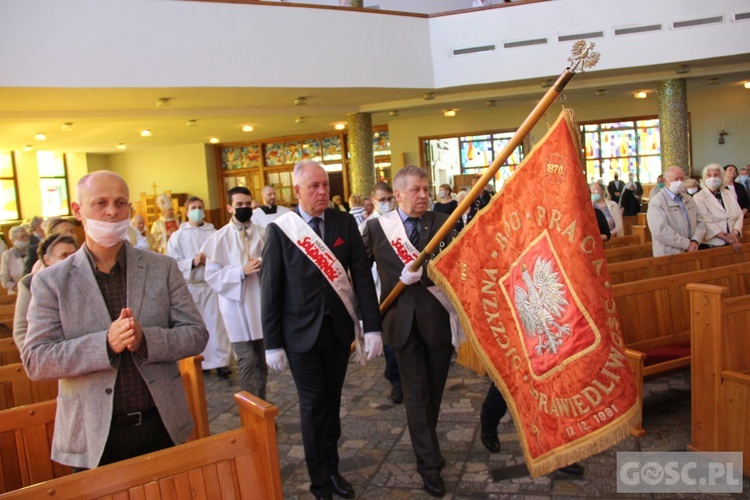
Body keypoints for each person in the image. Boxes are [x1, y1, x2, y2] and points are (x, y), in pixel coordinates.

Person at [21, 171, 208, 470]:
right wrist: (105, 344)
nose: (112, 211)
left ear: (130, 210)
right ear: (78, 210)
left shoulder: (162, 268)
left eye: (120, 203)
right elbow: (36, 360)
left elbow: (197, 334)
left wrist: (146, 340)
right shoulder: (51, 282)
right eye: (100, 203)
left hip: (159, 423)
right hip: (93, 433)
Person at [261, 160, 382, 500]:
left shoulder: (343, 222)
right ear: (297, 191)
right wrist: (272, 343)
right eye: (313, 186)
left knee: (331, 403)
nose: (322, 192)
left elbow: (361, 276)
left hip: (337, 332)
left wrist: (371, 326)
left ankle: (333, 469)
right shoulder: (281, 229)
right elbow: (271, 290)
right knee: (313, 405)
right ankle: (319, 484)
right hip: (299, 335)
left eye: (325, 185)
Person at [362, 165, 453, 497]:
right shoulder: (376, 228)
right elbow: (360, 273)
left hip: (437, 319)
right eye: (416, 190)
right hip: (401, 323)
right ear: (397, 195)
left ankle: (426, 446)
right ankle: (428, 465)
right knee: (415, 395)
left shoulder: (441, 223)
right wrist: (367, 319)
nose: (423, 195)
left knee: (434, 393)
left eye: (426, 189)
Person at [202, 187, 268, 396]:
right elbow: (212, 275)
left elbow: (276, 264)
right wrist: (241, 271)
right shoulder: (218, 238)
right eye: (239, 205)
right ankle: (251, 414)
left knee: (261, 360)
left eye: (248, 204)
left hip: (259, 302)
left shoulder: (262, 234)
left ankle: (263, 408)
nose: (244, 208)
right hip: (235, 306)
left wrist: (263, 263)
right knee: (246, 359)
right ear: (230, 207)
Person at [167, 196, 232, 379]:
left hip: (211, 287)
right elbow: (172, 262)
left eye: (200, 207)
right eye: (193, 207)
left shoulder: (214, 233)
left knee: (216, 326)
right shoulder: (178, 236)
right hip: (191, 287)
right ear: (187, 212)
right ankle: (199, 361)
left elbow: (224, 256)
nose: (197, 210)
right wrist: (193, 262)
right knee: (196, 326)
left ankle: (221, 362)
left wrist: (209, 260)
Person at [361, 181, 402, 404]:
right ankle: (395, 380)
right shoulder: (369, 225)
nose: (386, 203)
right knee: (389, 337)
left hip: (402, 283)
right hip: (381, 289)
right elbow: (362, 263)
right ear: (373, 201)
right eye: (382, 200)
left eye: (389, 199)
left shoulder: (400, 219)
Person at [13, 234, 77, 351]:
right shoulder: (29, 284)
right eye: (64, 255)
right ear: (47, 259)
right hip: (48, 356)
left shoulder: (83, 279)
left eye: (73, 255)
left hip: (78, 353)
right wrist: (35, 358)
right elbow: (21, 328)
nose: (70, 260)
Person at [646, 166, 706, 257]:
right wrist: (686, 244)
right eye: (676, 179)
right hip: (669, 253)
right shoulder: (657, 202)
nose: (680, 182)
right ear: (666, 181)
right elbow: (660, 231)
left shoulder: (689, 199)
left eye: (682, 179)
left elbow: (700, 221)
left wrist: (695, 240)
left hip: (692, 250)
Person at [693, 163, 743, 252]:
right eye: (709, 175)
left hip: (733, 240)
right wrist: (726, 238)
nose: (712, 178)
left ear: (722, 177)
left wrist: (734, 234)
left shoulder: (728, 193)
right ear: (704, 179)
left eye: (716, 175)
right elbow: (706, 221)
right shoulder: (699, 197)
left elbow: (739, 215)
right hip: (712, 243)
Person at [1, 226, 29, 293]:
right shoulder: (7, 255)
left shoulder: (34, 251)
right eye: (22, 237)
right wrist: (18, 288)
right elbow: (5, 280)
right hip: (16, 292)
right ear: (13, 240)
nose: (26, 239)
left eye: (27, 236)